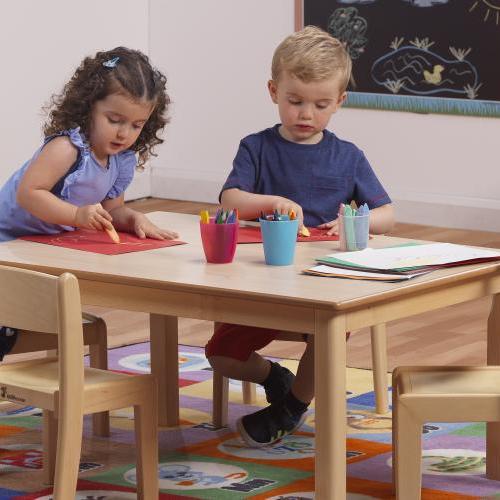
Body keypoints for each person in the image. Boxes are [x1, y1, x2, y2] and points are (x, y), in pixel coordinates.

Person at [205, 26, 395, 447]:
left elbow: (387, 213)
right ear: (274, 91)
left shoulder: (347, 157)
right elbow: (230, 201)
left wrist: (353, 221)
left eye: (320, 104)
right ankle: (276, 377)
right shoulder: (256, 147)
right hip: (263, 281)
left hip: (323, 281)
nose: (306, 114)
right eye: (295, 101)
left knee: (329, 336)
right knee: (219, 354)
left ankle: (292, 406)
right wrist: (271, 200)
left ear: (340, 101)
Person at [0, 46, 179, 360]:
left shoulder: (120, 160)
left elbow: (113, 209)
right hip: (6, 240)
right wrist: (78, 214)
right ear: (88, 107)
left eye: (137, 125)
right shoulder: (67, 148)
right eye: (114, 119)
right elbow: (29, 194)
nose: (124, 133)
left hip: (42, 245)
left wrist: (133, 218)